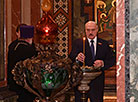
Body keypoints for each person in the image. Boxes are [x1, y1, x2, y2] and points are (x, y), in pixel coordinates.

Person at [69, 21, 115, 102]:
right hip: (81, 80)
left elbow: (111, 59)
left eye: (93, 30)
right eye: (88, 30)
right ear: (85, 30)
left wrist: (102, 63)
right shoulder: (78, 43)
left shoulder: (104, 44)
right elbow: (70, 58)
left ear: (97, 30)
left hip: (97, 81)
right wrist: (77, 57)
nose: (90, 32)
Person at [7, 25, 38, 102]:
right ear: (17, 33)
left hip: (27, 82)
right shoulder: (17, 46)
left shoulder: (27, 46)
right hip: (20, 82)